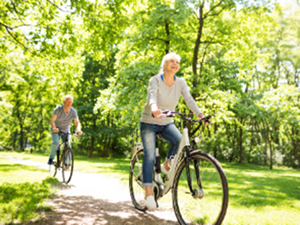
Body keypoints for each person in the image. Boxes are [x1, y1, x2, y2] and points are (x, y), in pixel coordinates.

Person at [139, 52, 209, 210]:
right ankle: (148, 193)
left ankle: (166, 164)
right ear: (164, 64)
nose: (175, 64)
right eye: (172, 61)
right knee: (149, 155)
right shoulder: (155, 80)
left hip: (166, 122)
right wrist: (154, 108)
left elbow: (189, 99)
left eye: (177, 62)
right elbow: (152, 96)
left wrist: (201, 115)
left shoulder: (181, 82)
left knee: (179, 140)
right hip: (149, 122)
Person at [47, 95, 83, 165]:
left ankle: (66, 163)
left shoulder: (73, 111)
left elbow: (77, 122)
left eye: (71, 102)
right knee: (56, 143)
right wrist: (54, 128)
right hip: (56, 130)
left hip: (65, 130)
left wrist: (79, 130)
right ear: (64, 102)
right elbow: (52, 120)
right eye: (68, 102)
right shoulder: (58, 109)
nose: (69, 104)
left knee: (68, 145)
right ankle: (51, 158)